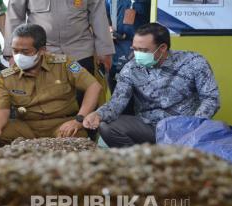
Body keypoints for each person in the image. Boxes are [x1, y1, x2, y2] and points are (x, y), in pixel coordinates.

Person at [83, 23, 220, 148]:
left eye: (143, 50)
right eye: (134, 49)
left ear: (162, 48)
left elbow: (211, 98)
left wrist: (193, 125)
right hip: (149, 127)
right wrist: (98, 114)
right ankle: (142, 162)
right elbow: (117, 102)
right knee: (107, 126)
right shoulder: (131, 69)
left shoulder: (194, 62)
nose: (137, 55)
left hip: (185, 128)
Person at [0, 24, 102, 145]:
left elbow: (94, 86)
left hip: (61, 124)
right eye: (15, 51)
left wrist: (79, 120)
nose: (18, 56)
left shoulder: (64, 64)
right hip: (26, 126)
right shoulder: (6, 76)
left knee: (75, 138)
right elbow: (1, 109)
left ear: (42, 50)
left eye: (25, 51)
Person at [4, 0, 115, 76]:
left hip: (81, 52)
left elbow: (98, 16)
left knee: (84, 96)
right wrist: (12, 54)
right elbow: (14, 18)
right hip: (43, 54)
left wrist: (105, 51)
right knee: (46, 101)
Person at [105, 0, 151, 115]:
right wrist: (108, 28)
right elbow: (102, 17)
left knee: (142, 92)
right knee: (118, 90)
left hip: (141, 49)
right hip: (116, 48)